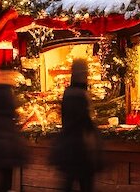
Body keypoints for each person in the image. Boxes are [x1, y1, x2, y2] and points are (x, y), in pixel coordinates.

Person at [51, 59, 100, 191]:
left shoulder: (68, 93)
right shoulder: (81, 94)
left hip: (68, 147)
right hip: (80, 149)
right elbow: (85, 122)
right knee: (85, 184)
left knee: (68, 183)